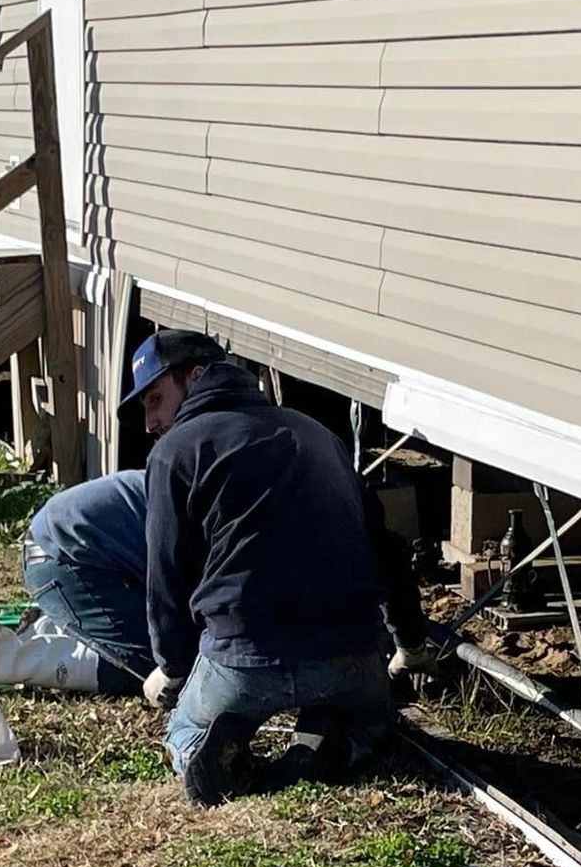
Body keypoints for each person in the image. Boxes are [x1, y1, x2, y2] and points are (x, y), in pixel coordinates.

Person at [130, 329, 435, 805]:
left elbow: (168, 574)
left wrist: (171, 668)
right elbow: (387, 550)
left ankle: (220, 762)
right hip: (350, 653)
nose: (150, 422)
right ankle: (330, 743)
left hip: (243, 659)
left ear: (196, 377)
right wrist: (411, 643)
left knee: (186, 728)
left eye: (155, 399)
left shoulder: (174, 452)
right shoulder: (318, 434)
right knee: (373, 725)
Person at [0, 470, 150, 697]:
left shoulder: (179, 485)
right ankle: (1, 660)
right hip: (62, 556)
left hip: (66, 546)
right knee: (144, 665)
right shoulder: (183, 513)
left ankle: (50, 628)